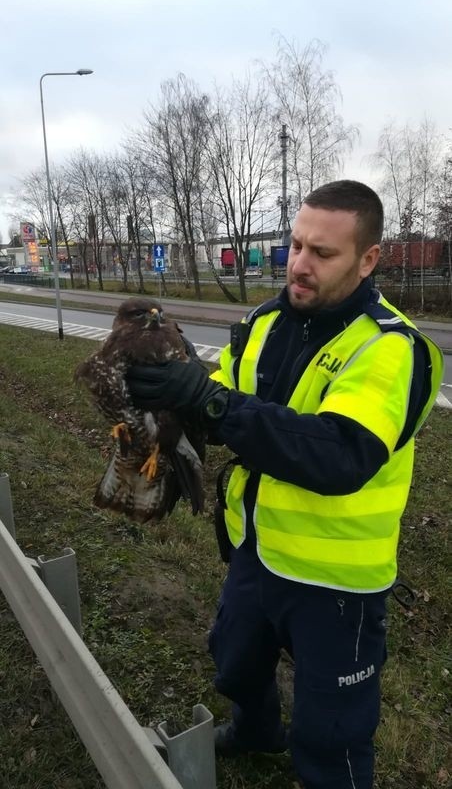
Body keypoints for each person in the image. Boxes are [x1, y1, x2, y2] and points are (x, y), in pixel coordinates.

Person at [126, 180, 444, 789]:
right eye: (296, 245)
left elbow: (338, 455)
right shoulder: (264, 321)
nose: (299, 264)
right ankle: (256, 732)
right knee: (236, 662)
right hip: (257, 547)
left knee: (332, 734)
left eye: (322, 253)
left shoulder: (389, 348)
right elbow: (228, 397)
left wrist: (214, 405)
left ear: (368, 259)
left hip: (337, 579)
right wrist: (175, 388)